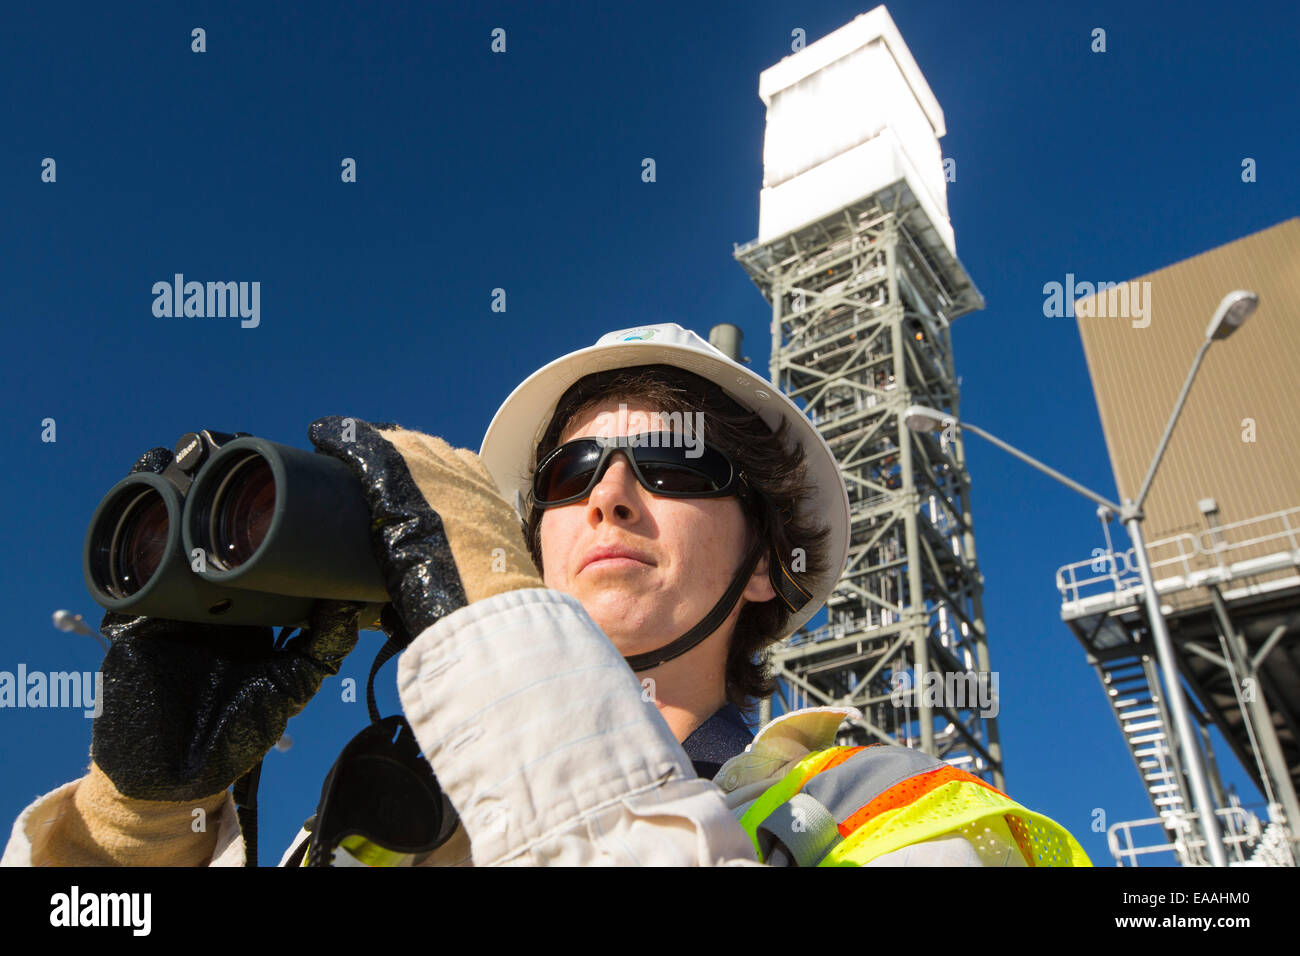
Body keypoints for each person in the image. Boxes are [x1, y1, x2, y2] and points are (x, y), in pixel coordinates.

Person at [3, 323, 1089, 867]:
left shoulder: (898, 812)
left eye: (672, 465)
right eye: (569, 476)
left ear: (764, 562)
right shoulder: (379, 828)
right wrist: (139, 831)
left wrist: (503, 648)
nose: (610, 495)